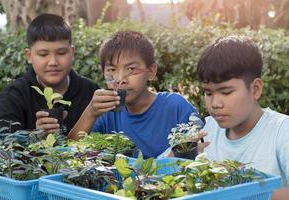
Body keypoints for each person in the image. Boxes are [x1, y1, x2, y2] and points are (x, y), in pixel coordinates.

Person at [68, 31, 197, 158]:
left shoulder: (175, 106)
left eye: (131, 69)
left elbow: (200, 151)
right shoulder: (106, 112)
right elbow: (69, 153)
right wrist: (90, 113)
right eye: (112, 70)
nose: (120, 79)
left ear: (151, 71)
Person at [197, 35, 289, 199]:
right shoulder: (207, 129)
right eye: (208, 93)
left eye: (226, 92)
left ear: (255, 89)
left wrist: (246, 195)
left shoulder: (282, 131)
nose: (215, 103)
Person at [0, 13, 99, 135]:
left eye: (61, 53)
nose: (53, 62)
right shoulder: (12, 97)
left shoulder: (90, 92)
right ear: (29, 56)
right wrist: (34, 135)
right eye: (43, 54)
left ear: (72, 52)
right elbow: (0, 146)